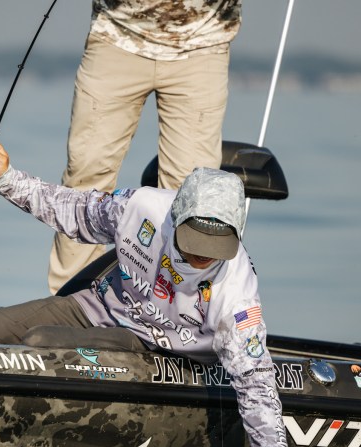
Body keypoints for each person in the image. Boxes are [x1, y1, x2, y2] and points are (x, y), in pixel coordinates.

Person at [0, 139, 292, 447]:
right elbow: (74, 210)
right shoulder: (140, 207)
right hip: (95, 307)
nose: (203, 255)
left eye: (216, 245)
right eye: (195, 239)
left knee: (40, 346)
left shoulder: (237, 293)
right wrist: (6, 179)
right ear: (176, 214)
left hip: (154, 349)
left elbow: (256, 385)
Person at [49, 0, 242, 295]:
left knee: (195, 199)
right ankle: (69, 302)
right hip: (116, 34)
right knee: (85, 181)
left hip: (204, 43)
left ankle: (179, 309)